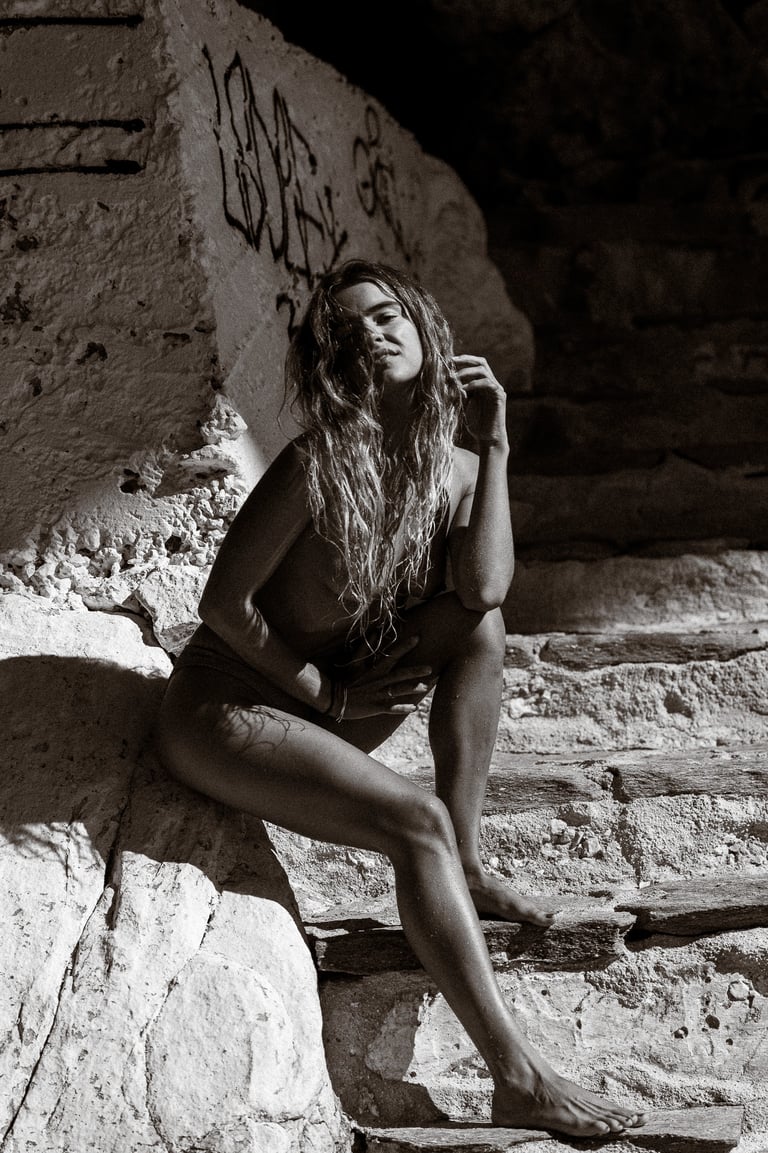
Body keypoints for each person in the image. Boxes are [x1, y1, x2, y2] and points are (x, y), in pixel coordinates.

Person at [156, 258, 646, 1138]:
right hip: (225, 710)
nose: (374, 335)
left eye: (387, 316)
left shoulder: (455, 470)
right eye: (349, 330)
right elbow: (222, 604)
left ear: (424, 328)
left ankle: (468, 862)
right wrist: (328, 696)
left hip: (330, 704)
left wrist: (495, 446)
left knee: (480, 624)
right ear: (333, 361)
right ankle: (518, 1075)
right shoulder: (318, 460)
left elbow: (485, 588)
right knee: (414, 820)